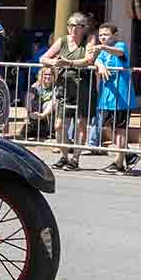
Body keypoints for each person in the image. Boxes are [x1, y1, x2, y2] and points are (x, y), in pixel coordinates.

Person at [41, 12, 96, 171]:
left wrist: (68, 62)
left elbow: (87, 60)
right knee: (59, 125)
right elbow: (43, 58)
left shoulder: (89, 40)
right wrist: (54, 62)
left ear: (83, 28)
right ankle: (64, 156)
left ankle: (75, 159)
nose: (72, 28)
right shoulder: (62, 40)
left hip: (83, 84)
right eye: (70, 25)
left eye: (75, 25)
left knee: (80, 124)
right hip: (64, 85)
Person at [91, 24, 137, 174]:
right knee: (109, 128)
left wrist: (102, 48)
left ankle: (118, 163)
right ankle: (128, 155)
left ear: (115, 35)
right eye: (101, 35)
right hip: (107, 97)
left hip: (121, 97)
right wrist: (100, 65)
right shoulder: (103, 52)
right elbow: (97, 60)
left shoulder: (119, 45)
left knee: (119, 130)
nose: (103, 38)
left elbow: (119, 52)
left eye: (106, 35)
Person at [23, 66, 57, 141]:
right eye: (45, 74)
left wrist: (43, 114)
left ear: (54, 76)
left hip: (48, 113)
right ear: (41, 75)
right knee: (34, 101)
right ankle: (36, 128)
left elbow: (54, 101)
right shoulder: (35, 86)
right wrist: (30, 111)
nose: (47, 76)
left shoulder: (56, 87)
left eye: (50, 74)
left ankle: (51, 131)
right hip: (36, 113)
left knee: (46, 105)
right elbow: (28, 100)